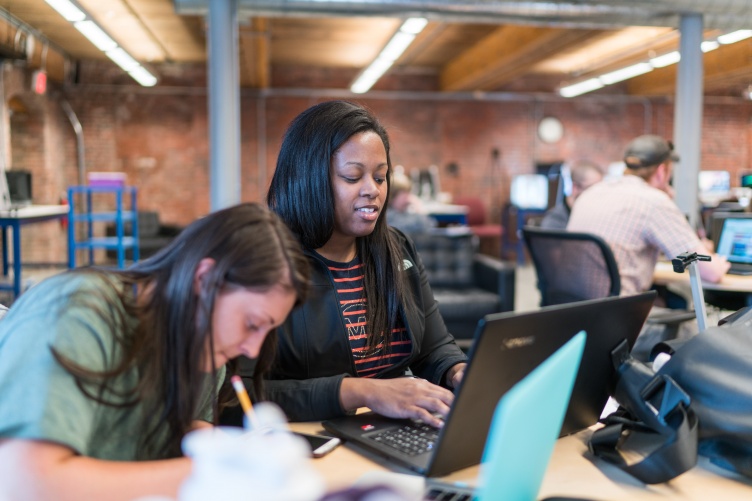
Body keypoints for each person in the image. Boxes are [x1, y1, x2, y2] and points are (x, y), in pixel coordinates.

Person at [0, 203, 309, 501]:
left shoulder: (203, 348)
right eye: (252, 323)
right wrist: (207, 472)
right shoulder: (76, 313)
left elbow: (187, 441)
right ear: (204, 279)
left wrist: (241, 460)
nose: (252, 349)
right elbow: (25, 483)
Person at [243, 100, 467, 428]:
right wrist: (361, 392)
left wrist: (457, 371)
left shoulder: (397, 249)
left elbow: (434, 348)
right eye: (352, 177)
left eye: (380, 177)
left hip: (396, 432)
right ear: (309, 179)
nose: (372, 190)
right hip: (309, 444)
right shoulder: (261, 263)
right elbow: (238, 396)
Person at [568, 134, 729, 296]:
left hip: (572, 310)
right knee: (686, 303)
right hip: (617, 313)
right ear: (661, 172)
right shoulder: (654, 201)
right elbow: (711, 273)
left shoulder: (591, 193)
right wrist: (720, 263)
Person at [540, 161, 603, 230]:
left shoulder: (593, 215)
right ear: (575, 188)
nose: (598, 193)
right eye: (592, 188)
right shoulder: (555, 220)